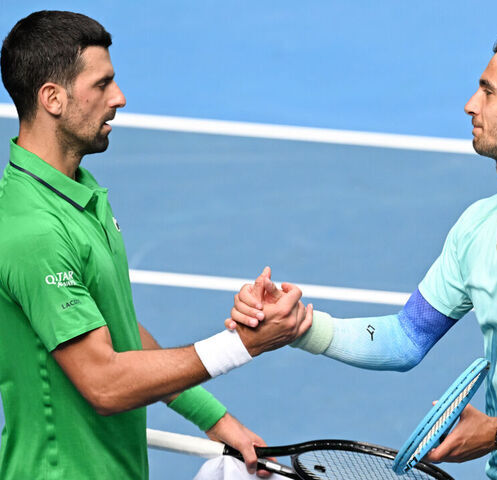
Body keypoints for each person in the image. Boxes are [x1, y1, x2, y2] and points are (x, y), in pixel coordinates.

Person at [229, 22, 497, 479]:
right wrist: (301, 328)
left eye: (487, 92)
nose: (470, 105)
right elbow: (406, 337)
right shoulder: (478, 226)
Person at [0, 10, 312, 480]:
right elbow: (104, 384)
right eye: (101, 85)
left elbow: (115, 328)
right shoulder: (34, 230)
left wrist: (215, 418)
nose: (119, 98)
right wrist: (240, 346)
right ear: (52, 98)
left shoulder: (77, 192)